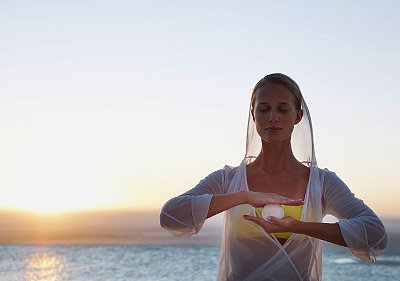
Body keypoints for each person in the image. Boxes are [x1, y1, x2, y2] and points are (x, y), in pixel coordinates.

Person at [159, 73, 387, 281]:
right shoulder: (228, 180)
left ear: (298, 116)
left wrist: (299, 226)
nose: (273, 118)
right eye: (264, 109)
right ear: (253, 115)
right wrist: (244, 197)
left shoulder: (321, 182)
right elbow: (171, 216)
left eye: (283, 109)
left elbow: (375, 235)